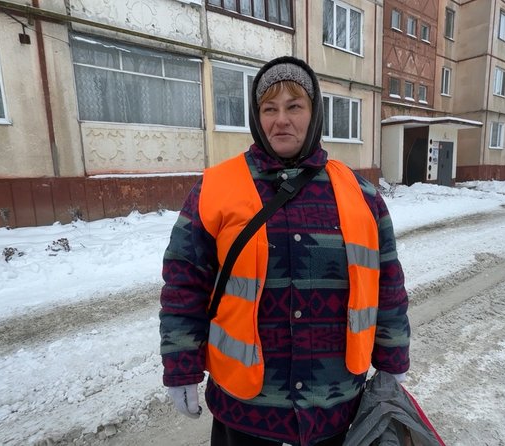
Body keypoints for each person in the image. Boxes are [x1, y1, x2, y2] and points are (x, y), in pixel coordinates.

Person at [159, 56, 410, 446]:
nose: (281, 120)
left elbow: (388, 286)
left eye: (294, 106)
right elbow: (184, 283)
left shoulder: (361, 195)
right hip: (245, 412)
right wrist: (181, 366)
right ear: (256, 117)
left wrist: (392, 361)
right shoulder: (215, 188)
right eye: (269, 109)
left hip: (334, 409)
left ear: (314, 113)